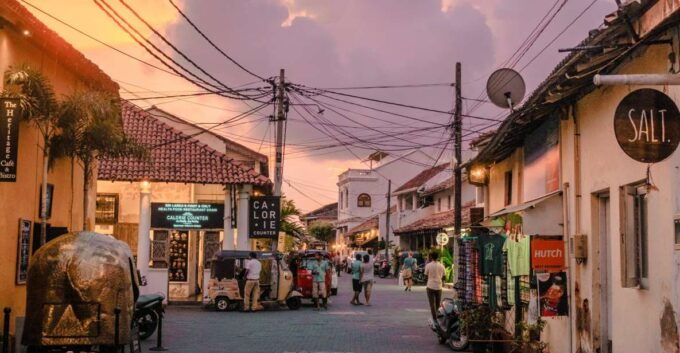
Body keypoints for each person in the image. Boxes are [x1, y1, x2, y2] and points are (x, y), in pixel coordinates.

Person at [424, 251, 445, 320]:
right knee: (438, 303)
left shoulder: (428, 265)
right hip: (439, 286)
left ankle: (434, 318)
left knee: (432, 304)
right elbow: (444, 277)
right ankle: (438, 317)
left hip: (430, 286)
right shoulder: (442, 266)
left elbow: (425, 276)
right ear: (438, 257)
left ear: (431, 257)